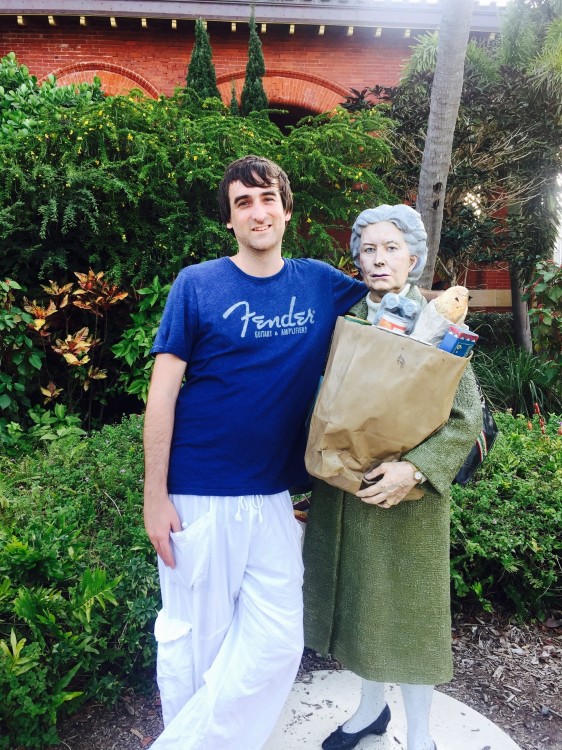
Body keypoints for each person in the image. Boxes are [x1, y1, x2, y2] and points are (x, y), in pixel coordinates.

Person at [143, 155, 367, 749]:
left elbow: (389, 296)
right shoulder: (198, 285)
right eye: (243, 203)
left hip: (272, 494)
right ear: (230, 222)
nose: (257, 211)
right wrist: (154, 497)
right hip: (199, 492)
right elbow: (161, 398)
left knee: (276, 642)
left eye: (267, 198)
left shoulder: (320, 283)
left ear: (287, 211)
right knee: (197, 640)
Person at [302, 205, 483, 750]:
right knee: (360, 610)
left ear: (414, 258)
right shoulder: (347, 316)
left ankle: (423, 736)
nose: (379, 260)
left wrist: (416, 470)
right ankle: (369, 712)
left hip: (409, 503)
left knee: (409, 619)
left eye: (391, 249)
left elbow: (467, 419)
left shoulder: (441, 328)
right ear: (357, 258)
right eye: (369, 249)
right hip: (347, 493)